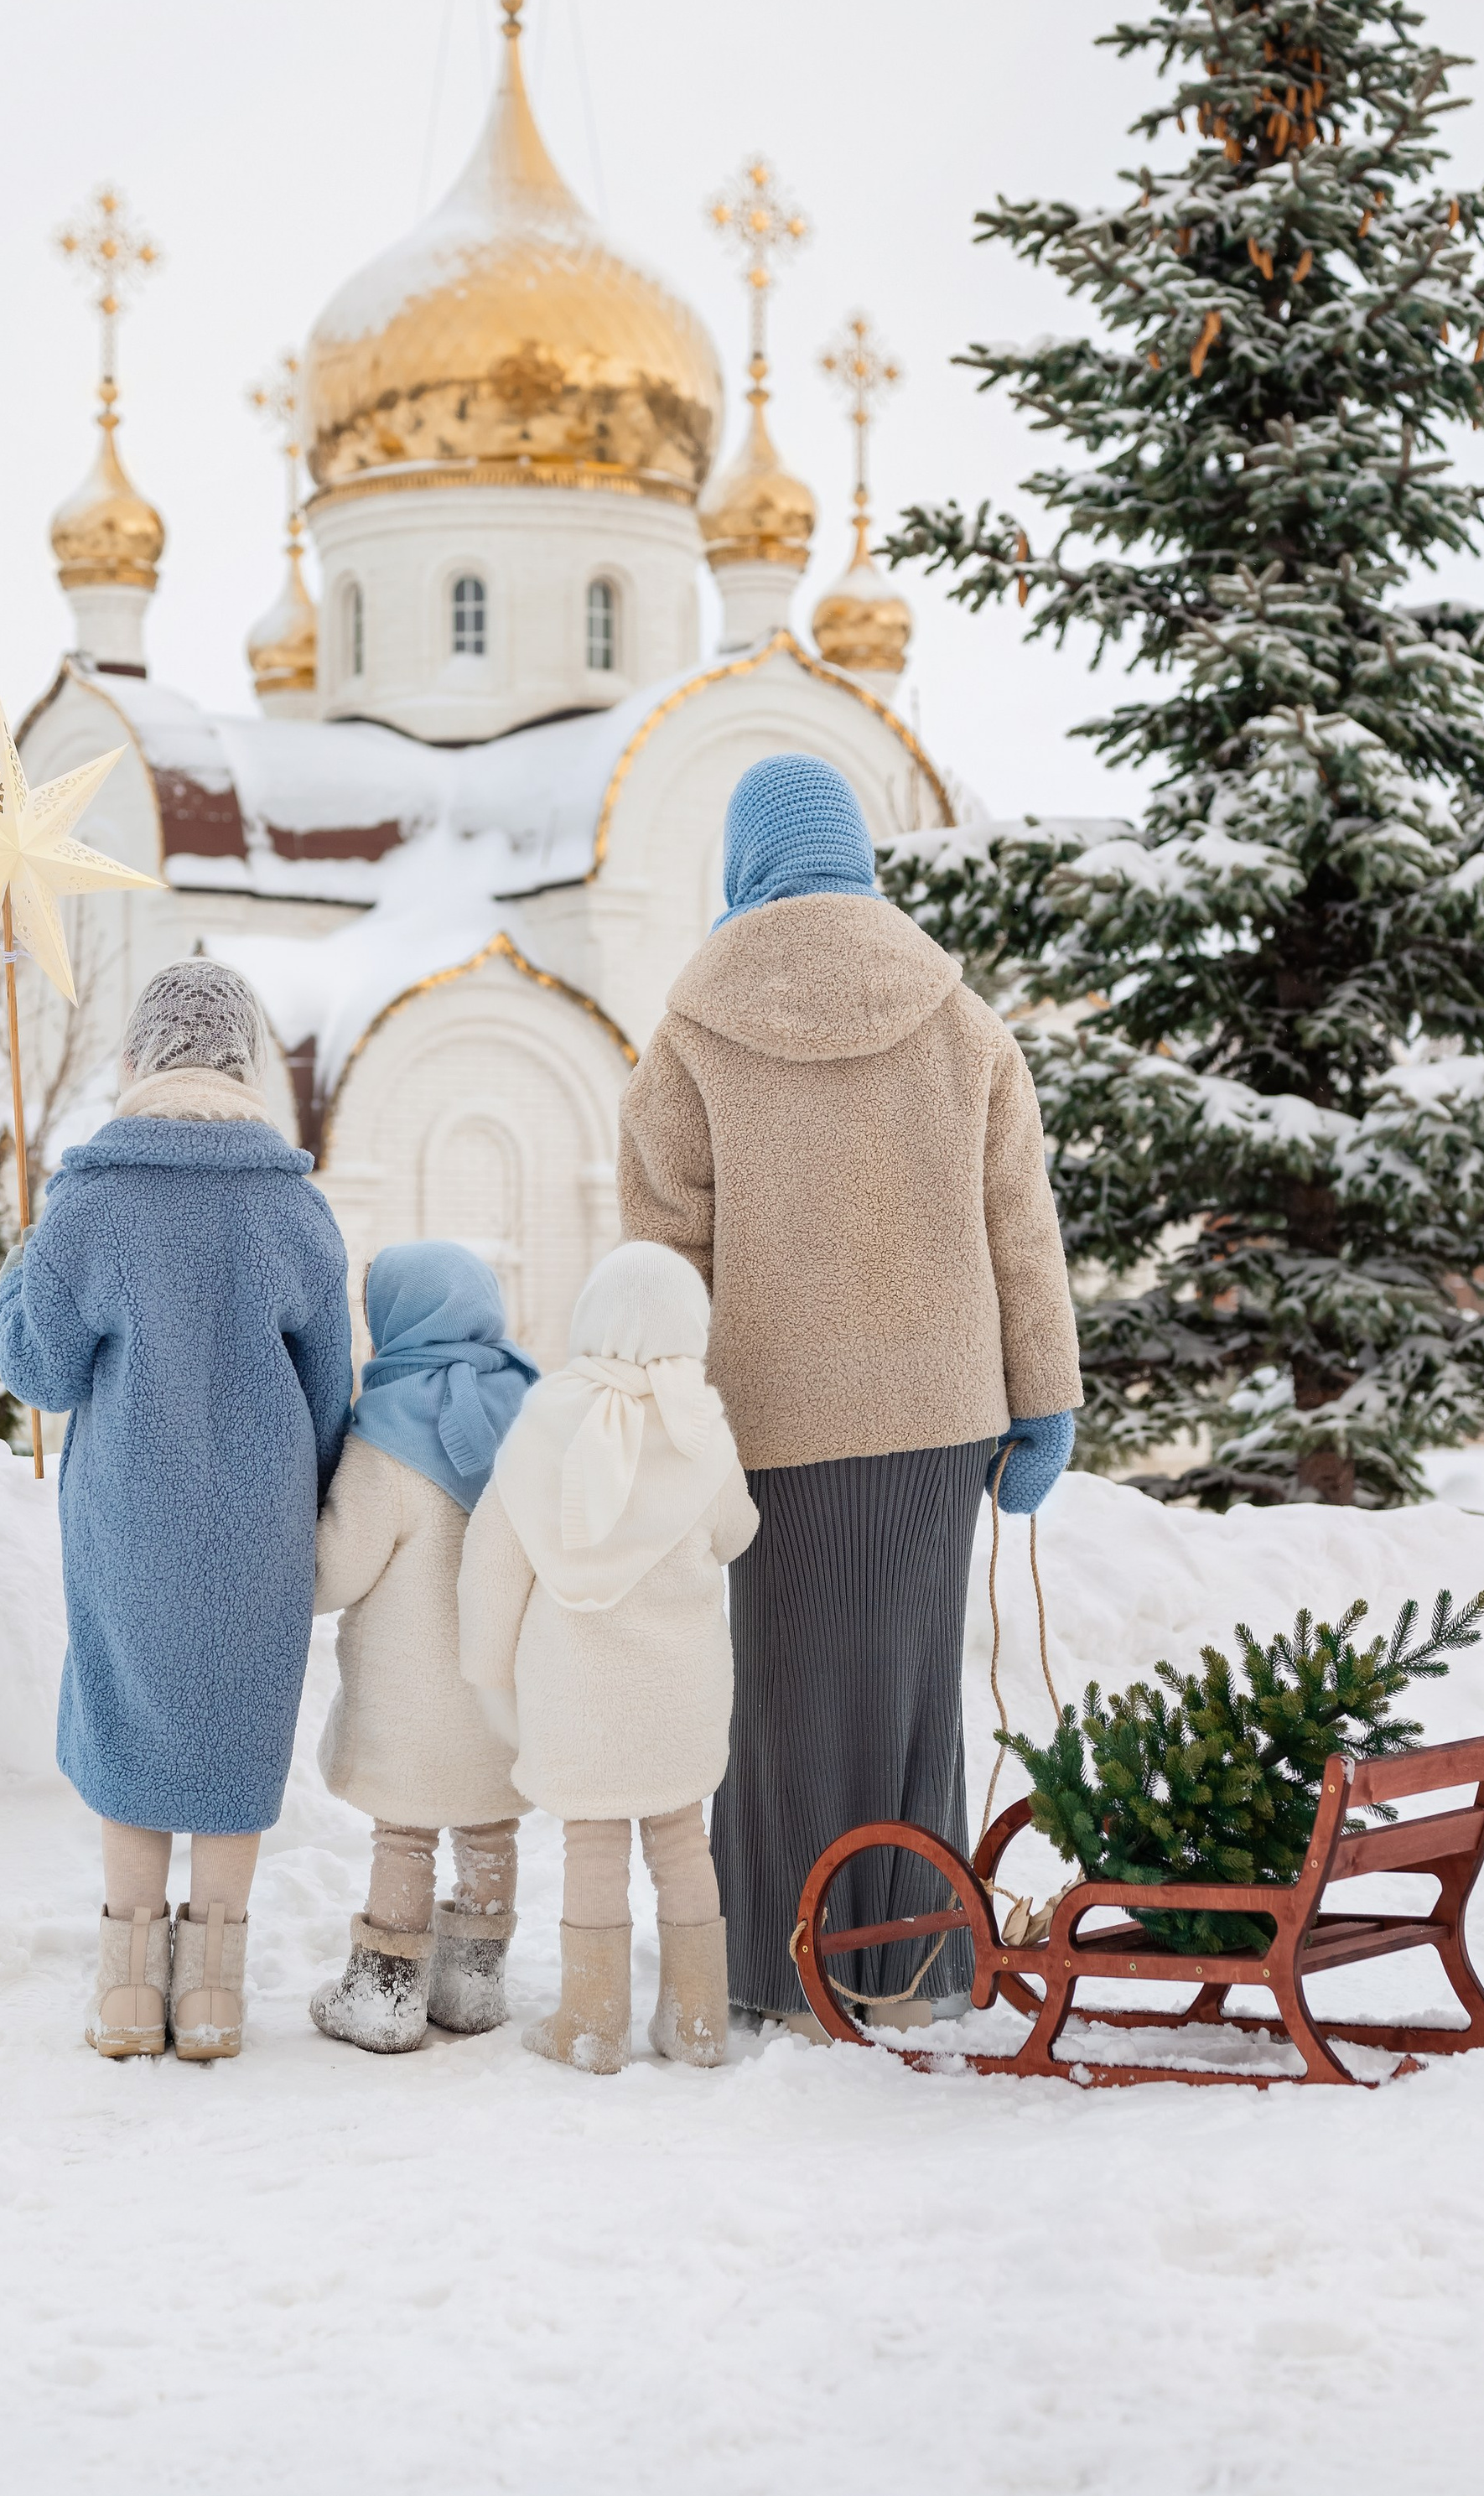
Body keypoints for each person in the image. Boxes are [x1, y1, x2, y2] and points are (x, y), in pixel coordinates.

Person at [617, 754, 1080, 2035]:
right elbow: (1019, 1232)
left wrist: (658, 1425)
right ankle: (916, 1961)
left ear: (745, 860)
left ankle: (776, 1968)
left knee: (775, 1698)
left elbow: (664, 1258)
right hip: (941, 1419)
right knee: (914, 1690)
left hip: (768, 1423)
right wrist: (1044, 1399)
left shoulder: (692, 1035)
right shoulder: (960, 1020)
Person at [0, 958, 351, 2065]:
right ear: (243, 1059)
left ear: (138, 1059)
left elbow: (37, 1370)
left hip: (129, 1525)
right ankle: (213, 1995)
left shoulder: (91, 1199)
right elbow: (332, 1391)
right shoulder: (295, 1204)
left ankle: (125, 1987)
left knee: (130, 1720)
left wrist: (26, 1263)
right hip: (258, 1526)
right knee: (236, 1736)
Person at [458, 1242, 755, 2076]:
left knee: (592, 1842)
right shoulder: (699, 1426)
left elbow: (494, 1558)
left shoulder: (550, 1417)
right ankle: (697, 2022)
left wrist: (489, 1674)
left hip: (577, 1692)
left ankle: (590, 2023)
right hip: (678, 1690)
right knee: (679, 1838)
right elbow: (736, 1533)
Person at [308, 1242, 540, 2054]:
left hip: (411, 1703)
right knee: (490, 1830)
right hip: (506, 1691)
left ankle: (385, 1992)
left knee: (404, 1834)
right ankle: (473, 1984)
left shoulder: (386, 1435)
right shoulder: (533, 1410)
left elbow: (333, 1572)